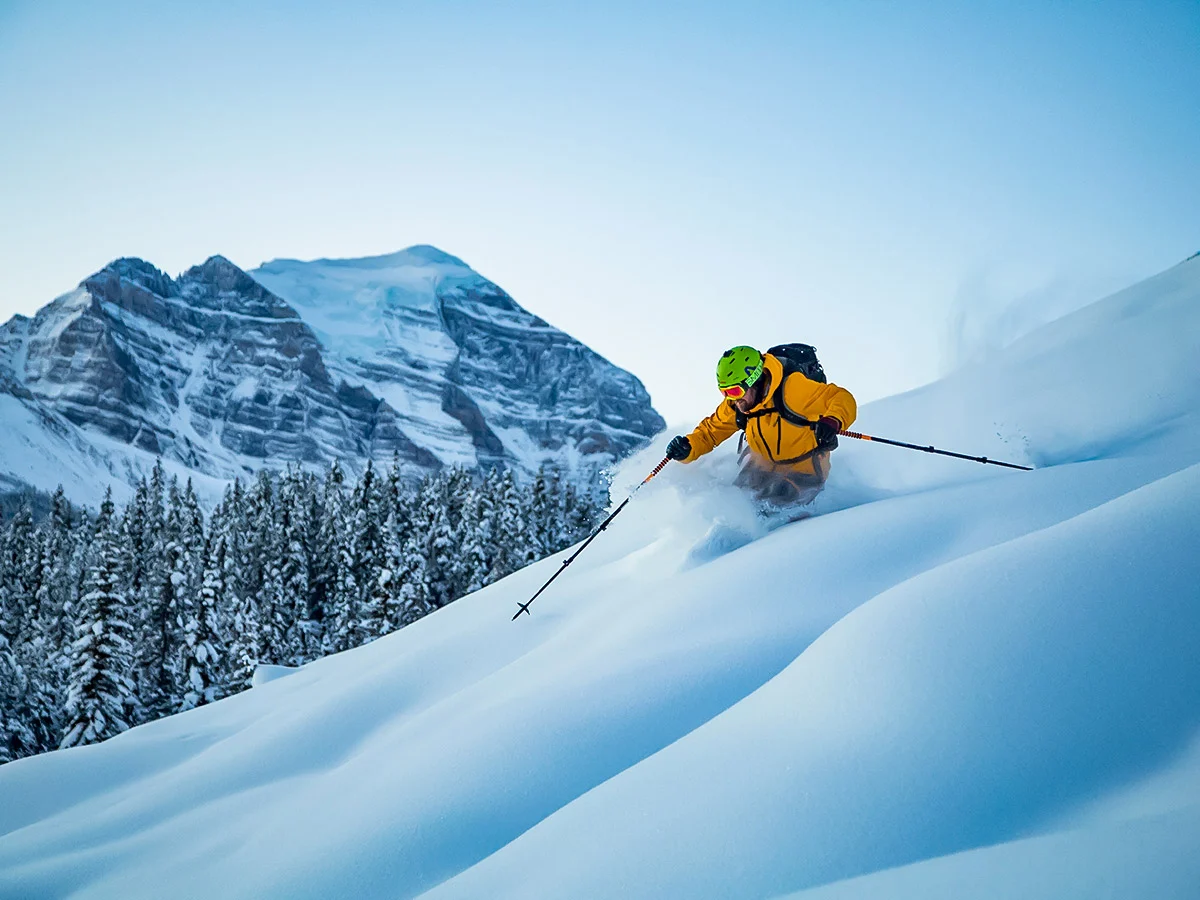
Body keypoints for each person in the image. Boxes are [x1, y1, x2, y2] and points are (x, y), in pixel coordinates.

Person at [665, 345, 857, 509]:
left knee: (777, 497)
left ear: (754, 379)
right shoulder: (738, 404)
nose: (732, 398)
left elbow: (840, 398)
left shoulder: (792, 389)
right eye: (724, 392)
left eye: (734, 390)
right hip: (761, 469)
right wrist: (688, 447)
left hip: (804, 473)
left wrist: (833, 420)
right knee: (731, 501)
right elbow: (710, 432)